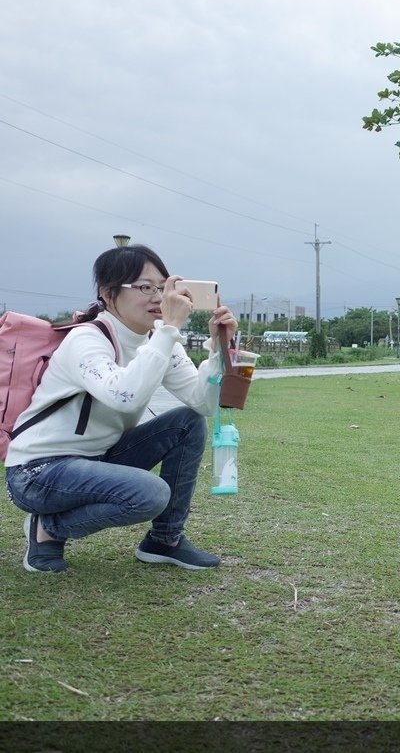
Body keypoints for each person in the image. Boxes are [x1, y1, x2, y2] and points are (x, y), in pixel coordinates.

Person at [6, 244, 238, 573]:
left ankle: (165, 540)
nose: (158, 298)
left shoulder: (158, 339)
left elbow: (203, 403)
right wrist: (170, 330)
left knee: (188, 421)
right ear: (108, 293)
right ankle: (46, 530)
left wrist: (217, 349)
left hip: (97, 459)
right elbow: (124, 396)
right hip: (39, 472)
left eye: (162, 287)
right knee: (150, 493)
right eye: (145, 288)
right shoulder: (87, 340)